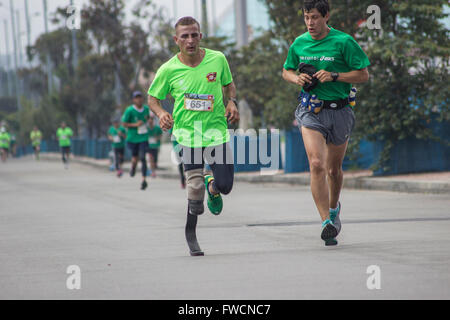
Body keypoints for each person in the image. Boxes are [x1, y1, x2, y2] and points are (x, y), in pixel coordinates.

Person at [148, 16, 240, 256]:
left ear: (201, 36)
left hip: (215, 132)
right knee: (194, 190)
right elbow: (153, 98)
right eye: (184, 36)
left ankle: (214, 186)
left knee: (226, 186)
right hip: (187, 135)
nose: (190, 40)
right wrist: (160, 114)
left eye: (194, 35)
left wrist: (231, 102)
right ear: (176, 40)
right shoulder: (168, 69)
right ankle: (192, 237)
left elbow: (229, 85)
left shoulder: (217, 59)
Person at [282, 0, 370, 245]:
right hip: (311, 110)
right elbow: (286, 70)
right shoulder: (299, 43)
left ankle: (333, 209)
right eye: (306, 17)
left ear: (326, 16)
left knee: (334, 170)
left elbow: (363, 75)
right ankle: (325, 222)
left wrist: (334, 76)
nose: (310, 23)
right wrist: (295, 78)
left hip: (340, 111)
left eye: (315, 18)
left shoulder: (344, 42)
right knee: (317, 163)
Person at [122, 91, 151, 190]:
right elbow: (124, 124)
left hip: (143, 137)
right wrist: (135, 125)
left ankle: (144, 180)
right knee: (135, 158)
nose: (139, 99)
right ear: (133, 100)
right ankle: (133, 167)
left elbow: (148, 121)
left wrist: (150, 122)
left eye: (140, 97)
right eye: (136, 97)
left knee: (143, 158)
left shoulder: (146, 109)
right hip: (133, 138)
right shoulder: (129, 110)